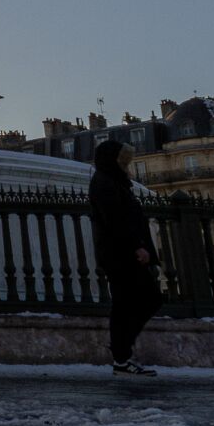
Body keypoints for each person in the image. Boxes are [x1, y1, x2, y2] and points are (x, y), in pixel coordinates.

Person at [89, 139, 162, 376]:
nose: (126, 163)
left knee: (129, 303)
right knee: (143, 299)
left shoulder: (112, 180)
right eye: (123, 158)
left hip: (121, 253)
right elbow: (116, 220)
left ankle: (121, 353)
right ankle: (121, 353)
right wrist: (137, 247)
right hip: (120, 254)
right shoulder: (105, 182)